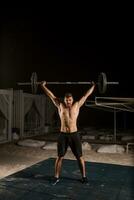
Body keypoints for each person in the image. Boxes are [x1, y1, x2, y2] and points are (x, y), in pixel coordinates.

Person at [41, 81, 95, 185]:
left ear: (72, 100)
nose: (68, 102)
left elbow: (86, 95)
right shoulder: (60, 105)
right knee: (60, 156)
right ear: (64, 100)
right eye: (66, 100)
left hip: (74, 135)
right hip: (63, 135)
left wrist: (93, 86)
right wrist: (43, 86)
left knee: (79, 156)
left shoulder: (77, 105)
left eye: (70, 100)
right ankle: (56, 177)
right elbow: (51, 95)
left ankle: (84, 177)